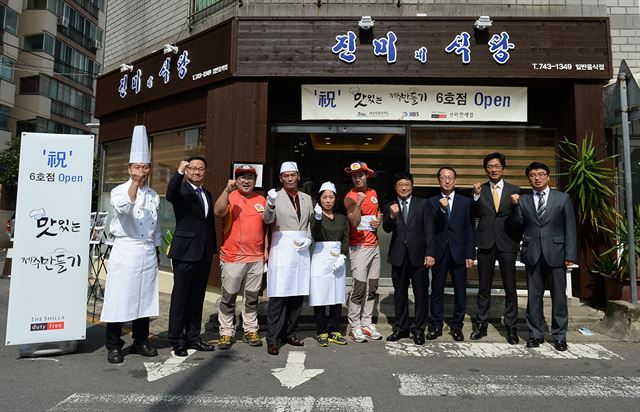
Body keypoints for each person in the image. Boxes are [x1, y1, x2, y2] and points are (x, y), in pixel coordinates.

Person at [101, 125, 161, 364]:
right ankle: (114, 345)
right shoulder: (118, 190)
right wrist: (134, 184)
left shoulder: (154, 195)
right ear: (129, 168)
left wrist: (156, 251)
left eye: (145, 167)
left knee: (145, 299)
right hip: (125, 249)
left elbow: (156, 227)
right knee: (120, 297)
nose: (142, 171)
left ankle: (140, 341)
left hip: (146, 250)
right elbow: (125, 209)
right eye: (137, 167)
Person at [509, 162, 577, 351]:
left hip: (556, 253)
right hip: (533, 253)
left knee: (559, 297)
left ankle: (559, 336)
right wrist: (514, 207)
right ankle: (535, 334)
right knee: (534, 297)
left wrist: (570, 254)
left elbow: (570, 228)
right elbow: (516, 226)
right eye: (532, 175)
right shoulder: (523, 200)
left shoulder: (562, 198)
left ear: (548, 177)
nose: (537, 178)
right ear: (528, 179)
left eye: (540, 174)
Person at [166, 156, 217, 356]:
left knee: (197, 298)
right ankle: (177, 339)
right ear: (187, 171)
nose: (197, 172)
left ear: (205, 172)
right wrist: (178, 172)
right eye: (193, 169)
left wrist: (212, 250)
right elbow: (170, 194)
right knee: (180, 297)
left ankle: (194, 337)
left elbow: (208, 224)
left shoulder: (207, 193)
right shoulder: (181, 190)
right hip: (185, 251)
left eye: (201, 169)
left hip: (203, 252)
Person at [263, 161, 314, 355]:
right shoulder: (275, 196)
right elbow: (267, 220)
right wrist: (270, 204)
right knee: (278, 295)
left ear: (298, 176)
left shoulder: (307, 198)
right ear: (281, 179)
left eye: (293, 175)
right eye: (286, 176)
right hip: (282, 247)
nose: (290, 179)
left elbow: (310, 223)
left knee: (296, 294)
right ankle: (273, 338)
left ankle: (290, 333)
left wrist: (309, 238)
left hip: (301, 249)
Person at [213, 164, 266, 350]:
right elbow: (218, 212)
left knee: (251, 298)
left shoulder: (262, 199)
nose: (246, 180)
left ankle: (250, 329)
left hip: (256, 257)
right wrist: (226, 191)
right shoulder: (230, 196)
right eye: (242, 177)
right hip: (232, 257)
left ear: (255, 180)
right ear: (236, 180)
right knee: (228, 298)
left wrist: (266, 251)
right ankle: (226, 332)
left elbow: (266, 228)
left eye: (250, 177)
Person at [470, 152, 521, 344]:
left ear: (503, 168)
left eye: (497, 166)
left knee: (510, 287)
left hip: (507, 241)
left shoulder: (514, 190)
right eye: (490, 166)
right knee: (484, 286)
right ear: (486, 169)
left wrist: (516, 205)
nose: (494, 169)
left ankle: (511, 326)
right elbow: (473, 214)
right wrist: (475, 197)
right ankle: (481, 325)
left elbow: (519, 220)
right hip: (485, 242)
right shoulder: (479, 190)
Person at [382, 172, 435, 345]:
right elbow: (387, 228)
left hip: (419, 256)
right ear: (395, 188)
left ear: (412, 186)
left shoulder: (423, 204)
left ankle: (419, 329)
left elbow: (429, 230)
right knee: (400, 294)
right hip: (398, 256)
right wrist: (392, 216)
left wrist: (430, 253)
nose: (404, 187)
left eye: (407, 184)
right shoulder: (390, 205)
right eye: (400, 185)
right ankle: (401, 328)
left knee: (420, 295)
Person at [427, 167, 475, 342]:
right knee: (436, 291)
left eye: (450, 178)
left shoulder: (465, 202)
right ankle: (436, 325)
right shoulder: (432, 201)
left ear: (455, 180)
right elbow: (430, 228)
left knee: (460, 292)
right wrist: (440, 209)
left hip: (459, 252)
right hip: (439, 253)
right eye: (443, 178)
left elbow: (470, 229)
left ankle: (457, 326)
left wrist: (470, 253)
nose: (447, 181)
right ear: (438, 180)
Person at [344, 161, 383, 343]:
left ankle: (367, 322)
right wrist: (359, 203)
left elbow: (377, 213)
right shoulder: (350, 196)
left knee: (372, 286)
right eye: (354, 175)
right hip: (359, 247)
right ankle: (354, 325)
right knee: (359, 288)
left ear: (367, 176)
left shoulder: (374, 193)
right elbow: (353, 221)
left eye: (360, 174)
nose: (357, 178)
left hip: (374, 246)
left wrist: (378, 220)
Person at [309, 182, 350, 347]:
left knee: (336, 295)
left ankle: (335, 330)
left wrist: (343, 255)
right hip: (320, 257)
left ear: (335, 199)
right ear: (319, 199)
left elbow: (346, 238)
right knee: (320, 294)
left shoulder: (342, 218)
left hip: (337, 258)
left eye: (331, 197)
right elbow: (315, 235)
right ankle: (321, 331)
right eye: (324, 197)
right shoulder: (316, 216)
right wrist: (318, 219)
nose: (327, 200)